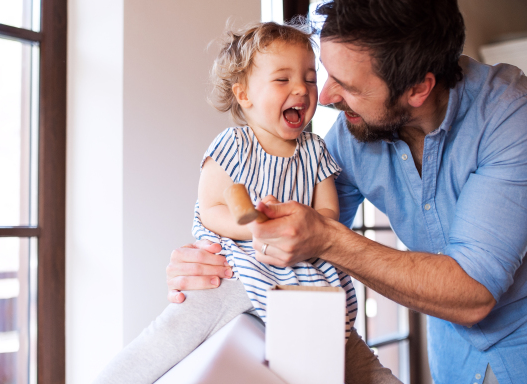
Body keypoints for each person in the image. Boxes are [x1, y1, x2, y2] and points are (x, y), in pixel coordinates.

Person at [166, 1, 527, 384]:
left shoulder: (510, 117)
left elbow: (473, 290)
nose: (326, 96)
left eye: (347, 85)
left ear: (418, 88)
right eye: (326, 74)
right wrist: (210, 262)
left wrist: (324, 238)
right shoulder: (345, 141)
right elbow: (291, 236)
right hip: (451, 356)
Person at [96, 21, 400, 384]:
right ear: (244, 95)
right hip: (235, 272)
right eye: (282, 80)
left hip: (304, 277)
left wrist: (304, 224)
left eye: (309, 78)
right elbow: (211, 209)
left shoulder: (316, 150)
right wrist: (255, 224)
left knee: (357, 359)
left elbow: (328, 213)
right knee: (166, 338)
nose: (301, 90)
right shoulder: (233, 145)